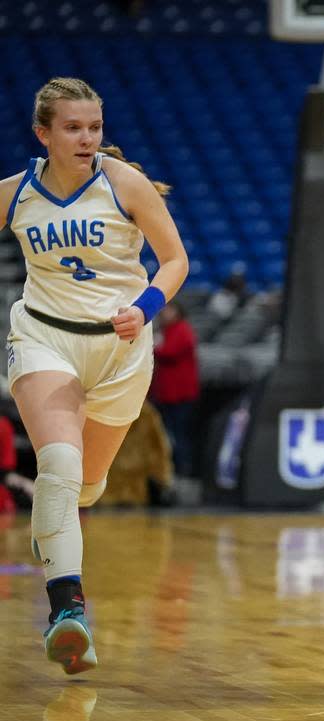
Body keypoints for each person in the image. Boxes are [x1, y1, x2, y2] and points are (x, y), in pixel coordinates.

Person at [0, 78, 189, 674]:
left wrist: (147, 306)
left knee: (86, 485)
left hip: (121, 349)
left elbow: (176, 259)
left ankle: (54, 522)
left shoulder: (123, 182)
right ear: (44, 134)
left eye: (95, 127)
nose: (87, 139)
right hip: (43, 338)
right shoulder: (15, 193)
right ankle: (68, 612)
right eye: (73, 128)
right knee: (57, 464)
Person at [150, 301, 200, 476]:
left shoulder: (183, 330)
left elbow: (170, 352)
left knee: (179, 435)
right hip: (165, 393)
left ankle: (183, 471)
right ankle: (170, 471)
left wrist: (151, 346)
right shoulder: (164, 331)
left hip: (181, 394)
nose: (164, 314)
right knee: (168, 434)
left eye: (168, 310)